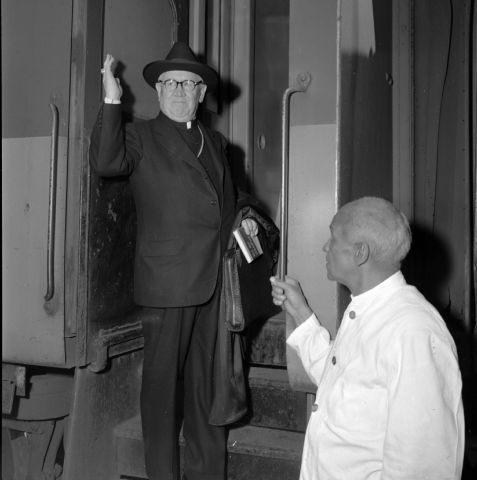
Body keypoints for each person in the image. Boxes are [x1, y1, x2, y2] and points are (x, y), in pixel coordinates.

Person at [89, 42, 257, 480]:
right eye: (169, 83)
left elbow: (228, 201)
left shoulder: (217, 142)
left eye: (188, 83)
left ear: (202, 93)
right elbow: (107, 162)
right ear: (158, 91)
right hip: (167, 283)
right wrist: (111, 99)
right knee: (161, 392)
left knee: (208, 388)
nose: (178, 90)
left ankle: (207, 473)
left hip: (214, 283)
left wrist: (249, 218)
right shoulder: (141, 135)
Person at [271, 196, 464, 480]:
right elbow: (338, 382)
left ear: (360, 253)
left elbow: (424, 465)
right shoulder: (369, 309)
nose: (326, 246)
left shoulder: (413, 332)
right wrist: (301, 312)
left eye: (333, 238)